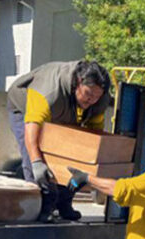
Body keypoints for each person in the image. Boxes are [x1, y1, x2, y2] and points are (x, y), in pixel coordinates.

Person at [6, 59, 112, 222]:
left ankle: (64, 203)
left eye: (95, 97)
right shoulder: (48, 92)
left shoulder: (99, 100)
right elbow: (32, 128)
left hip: (61, 114)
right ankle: (40, 208)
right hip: (24, 110)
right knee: (34, 158)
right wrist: (36, 162)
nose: (91, 101)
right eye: (88, 94)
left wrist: (88, 161)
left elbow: (92, 135)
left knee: (73, 154)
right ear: (78, 82)